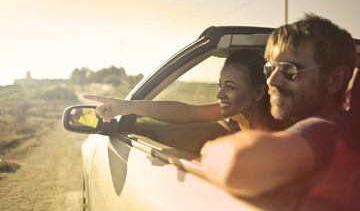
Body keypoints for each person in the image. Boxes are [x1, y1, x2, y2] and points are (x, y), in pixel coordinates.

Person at [200, 13, 359, 210]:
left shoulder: (327, 129)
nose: (271, 80)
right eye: (270, 68)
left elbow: (239, 164)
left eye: (289, 69)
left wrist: (209, 152)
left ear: (335, 79)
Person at [83, 51, 285, 135]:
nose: (219, 94)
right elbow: (186, 113)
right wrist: (128, 107)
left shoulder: (285, 128)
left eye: (230, 87)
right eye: (220, 85)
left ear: (258, 93)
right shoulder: (239, 113)